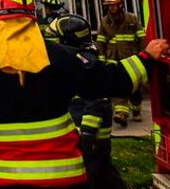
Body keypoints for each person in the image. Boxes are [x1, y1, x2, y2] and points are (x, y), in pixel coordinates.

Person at [0, 0, 168, 188]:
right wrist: (146, 58)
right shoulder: (57, 56)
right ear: (31, 17)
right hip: (64, 176)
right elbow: (105, 80)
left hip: (9, 180)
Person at [48, 14, 124, 189]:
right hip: (89, 139)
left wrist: (87, 134)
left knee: (94, 177)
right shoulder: (78, 58)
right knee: (104, 174)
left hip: (92, 139)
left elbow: (98, 100)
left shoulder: (85, 62)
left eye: (56, 38)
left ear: (67, 40)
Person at [94, 0, 146, 126]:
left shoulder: (132, 19)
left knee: (134, 89)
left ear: (120, 5)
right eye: (109, 5)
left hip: (131, 58)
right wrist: (101, 58)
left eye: (114, 5)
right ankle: (121, 113)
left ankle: (136, 110)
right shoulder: (105, 22)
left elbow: (141, 38)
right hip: (113, 59)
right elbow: (100, 41)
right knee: (117, 87)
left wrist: (143, 56)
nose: (111, 8)